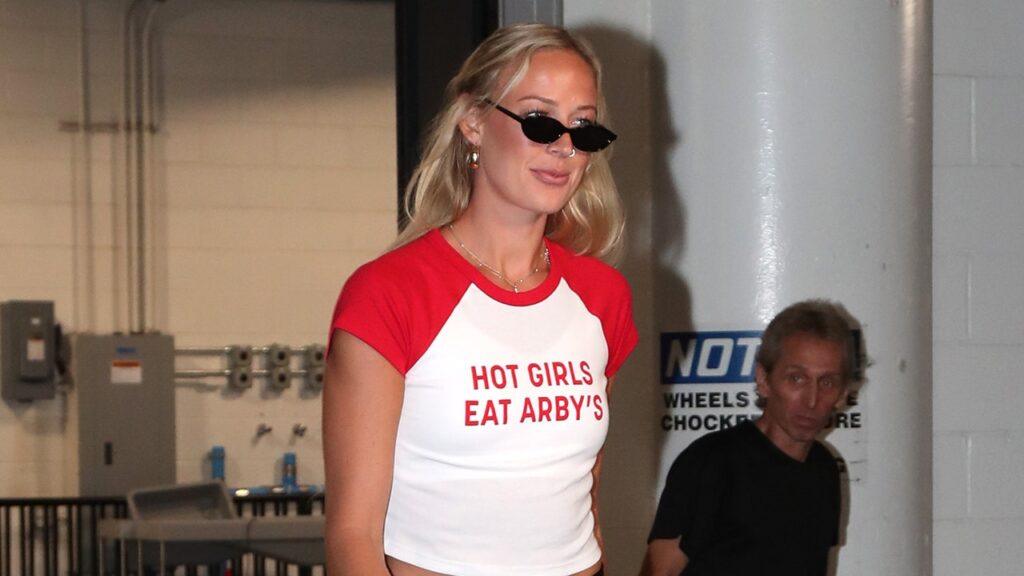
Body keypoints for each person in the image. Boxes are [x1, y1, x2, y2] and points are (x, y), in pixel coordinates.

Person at [323, 23, 637, 576]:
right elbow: (354, 535)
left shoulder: (601, 296)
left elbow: (582, 499)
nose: (564, 147)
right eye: (539, 120)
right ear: (472, 120)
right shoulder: (389, 293)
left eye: (582, 127)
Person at [642, 300, 858, 576]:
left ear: (842, 394)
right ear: (764, 380)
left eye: (826, 382)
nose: (812, 400)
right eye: (796, 378)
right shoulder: (713, 462)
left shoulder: (824, 469)